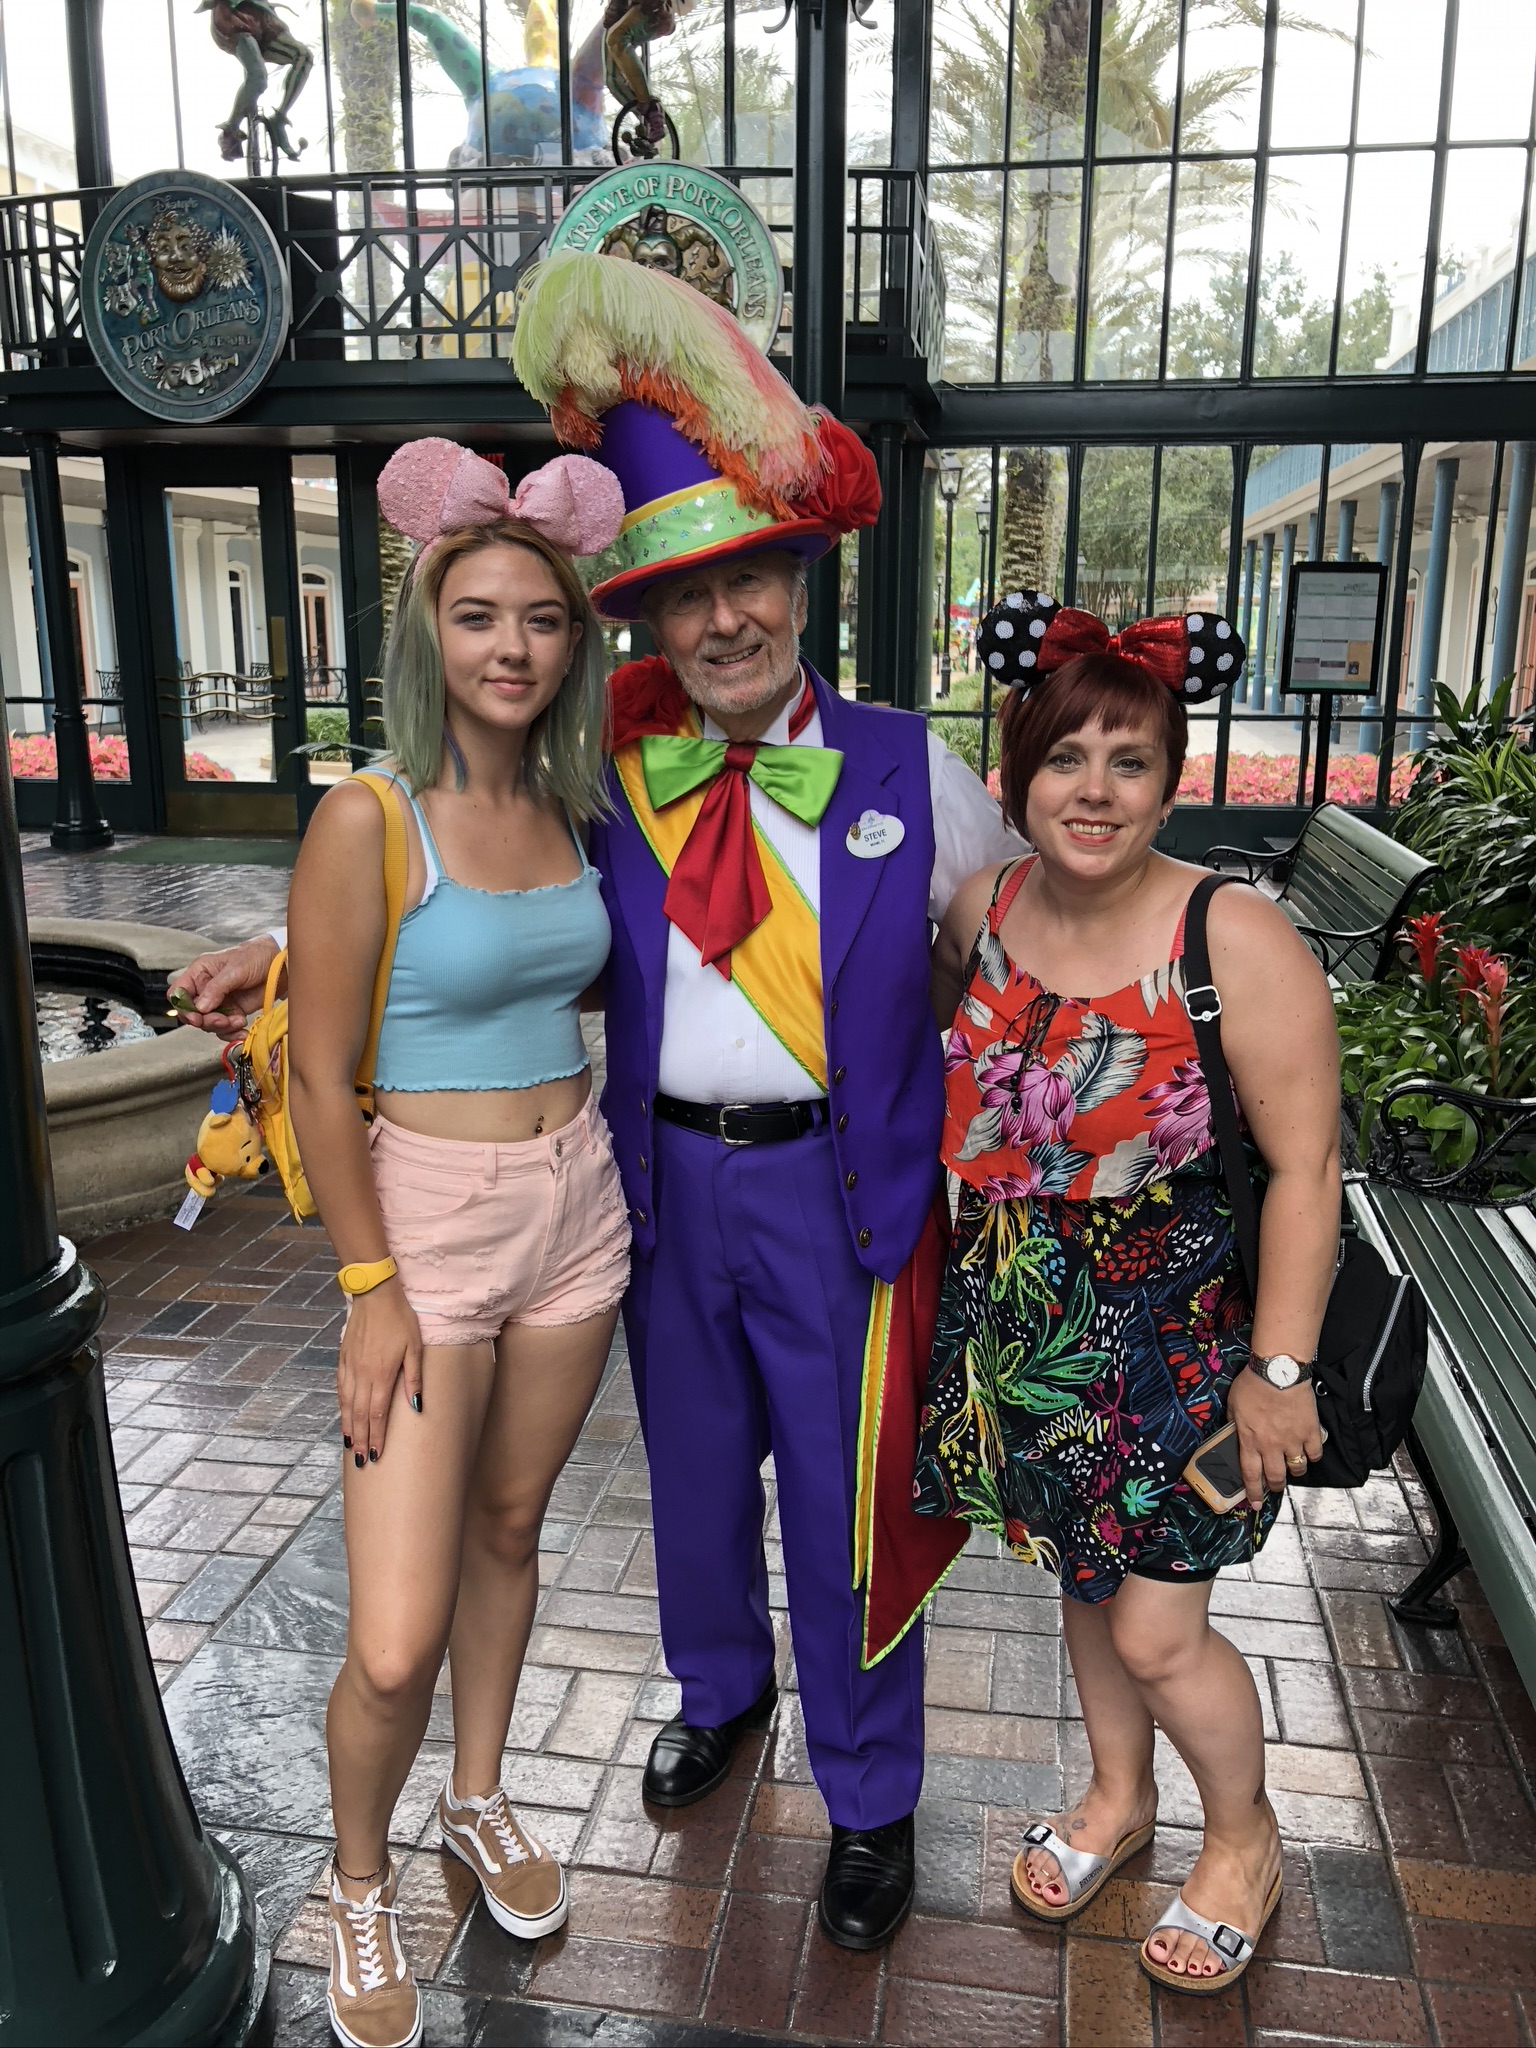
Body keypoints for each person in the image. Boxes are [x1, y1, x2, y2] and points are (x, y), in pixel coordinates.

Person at [175, 251, 1026, 1953]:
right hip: (655, 1190)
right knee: (695, 1482)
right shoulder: (613, 777)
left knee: (847, 1508)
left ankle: (870, 1794)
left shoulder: (908, 768)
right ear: (646, 624)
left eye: (749, 582)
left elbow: (1014, 942)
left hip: (845, 1192)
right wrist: (285, 947)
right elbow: (473, 899)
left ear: (797, 583)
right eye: (683, 600)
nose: (723, 624)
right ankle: (720, 1694)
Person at [915, 592, 1341, 1996]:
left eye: (1130, 761)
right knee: (1088, 1584)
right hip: (1029, 1331)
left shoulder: (1233, 937)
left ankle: (1244, 1837)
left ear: (1168, 783)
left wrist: (1279, 1372)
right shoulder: (983, 911)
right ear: (1019, 775)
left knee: (1161, 1629)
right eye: (1065, 757)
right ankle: (1117, 1794)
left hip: (1185, 1346)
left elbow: (1305, 1169)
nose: (1093, 791)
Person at [285, 437, 628, 2048]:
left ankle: (475, 1798)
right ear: (429, 629)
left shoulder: (571, 803)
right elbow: (316, 1070)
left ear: (574, 643)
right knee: (393, 1633)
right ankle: (357, 1885)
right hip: (424, 1223)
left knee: (509, 1530)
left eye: (543, 619)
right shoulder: (368, 816)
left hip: (578, 1202)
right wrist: (368, 1288)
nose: (513, 646)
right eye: (479, 614)